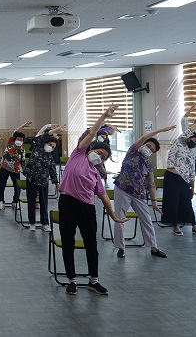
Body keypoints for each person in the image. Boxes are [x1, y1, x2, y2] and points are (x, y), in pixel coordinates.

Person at [58, 104, 128, 296]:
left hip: (87, 208)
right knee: (68, 242)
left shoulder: (95, 174)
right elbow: (91, 133)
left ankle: (94, 280)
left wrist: (114, 216)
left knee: (91, 243)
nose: (100, 157)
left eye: (103, 157)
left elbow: (103, 196)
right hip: (67, 203)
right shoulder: (78, 154)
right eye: (99, 152)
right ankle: (71, 280)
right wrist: (104, 115)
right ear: (91, 148)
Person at [112, 125, 175, 259]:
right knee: (120, 217)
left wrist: (154, 202)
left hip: (138, 193)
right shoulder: (132, 152)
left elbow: (151, 185)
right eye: (148, 146)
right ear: (143, 144)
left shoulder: (148, 165)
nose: (149, 149)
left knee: (146, 219)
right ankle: (120, 247)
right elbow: (143, 137)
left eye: (152, 150)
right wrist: (160, 130)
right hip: (123, 188)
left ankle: (153, 247)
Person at [162, 103, 196, 236]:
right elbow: (189, 127)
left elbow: (191, 169)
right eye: (194, 140)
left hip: (184, 179)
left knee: (187, 203)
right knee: (174, 202)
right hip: (172, 176)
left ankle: (194, 226)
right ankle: (175, 225)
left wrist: (192, 186)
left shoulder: (192, 151)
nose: (195, 143)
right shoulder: (180, 141)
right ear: (189, 137)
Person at [23, 124, 65, 231]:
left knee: (44, 202)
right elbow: (44, 135)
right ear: (45, 143)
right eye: (50, 145)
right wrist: (56, 129)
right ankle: (32, 222)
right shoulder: (37, 147)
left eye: (53, 147)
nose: (51, 147)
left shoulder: (50, 158)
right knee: (31, 201)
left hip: (43, 181)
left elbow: (53, 171)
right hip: (32, 178)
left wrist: (57, 183)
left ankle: (44, 223)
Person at [0, 121, 31, 211]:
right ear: (15, 139)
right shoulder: (10, 144)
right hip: (4, 168)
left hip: (15, 170)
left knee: (17, 187)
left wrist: (25, 172)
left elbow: (23, 163)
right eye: (18, 139)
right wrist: (24, 125)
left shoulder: (22, 151)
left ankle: (15, 202)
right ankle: (1, 202)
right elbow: (15, 131)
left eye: (21, 140)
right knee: (2, 185)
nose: (19, 141)